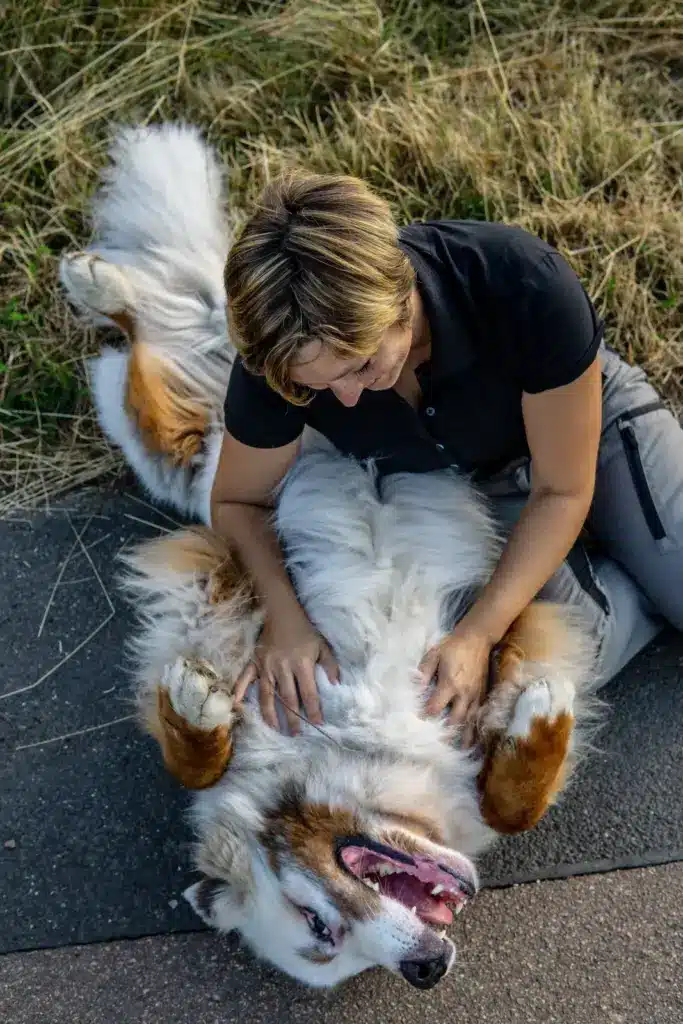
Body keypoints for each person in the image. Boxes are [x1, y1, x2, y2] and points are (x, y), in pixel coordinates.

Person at [210, 171, 683, 736]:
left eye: (360, 366)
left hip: (589, 428)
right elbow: (238, 500)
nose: (347, 398)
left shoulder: (522, 281)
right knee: (549, 670)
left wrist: (478, 632)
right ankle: (643, 572)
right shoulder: (283, 357)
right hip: (476, 487)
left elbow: (563, 488)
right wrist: (284, 619)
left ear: (398, 299)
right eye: (317, 387)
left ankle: (648, 555)